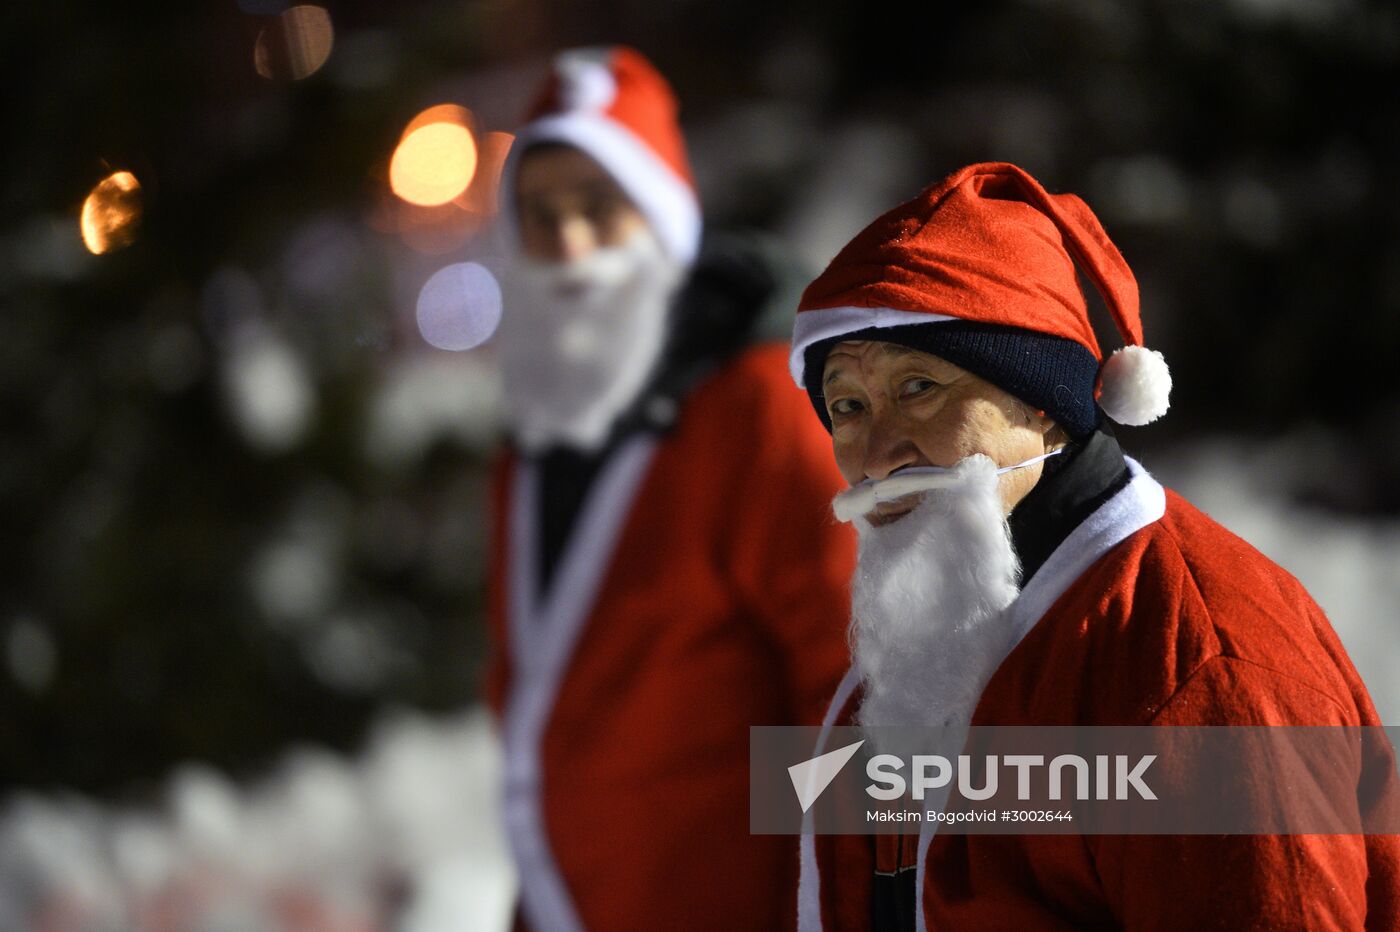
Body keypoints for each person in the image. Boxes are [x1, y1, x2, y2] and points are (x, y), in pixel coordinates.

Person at [787, 161, 1400, 930]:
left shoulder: (1199, 662)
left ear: (1043, 404)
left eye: (920, 388)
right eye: (847, 406)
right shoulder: (918, 646)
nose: (880, 453)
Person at [482, 46, 856, 931]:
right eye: (539, 215)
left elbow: (850, 687)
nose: (568, 243)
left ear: (660, 218)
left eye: (598, 208)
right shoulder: (536, 425)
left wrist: (833, 899)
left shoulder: (756, 407)